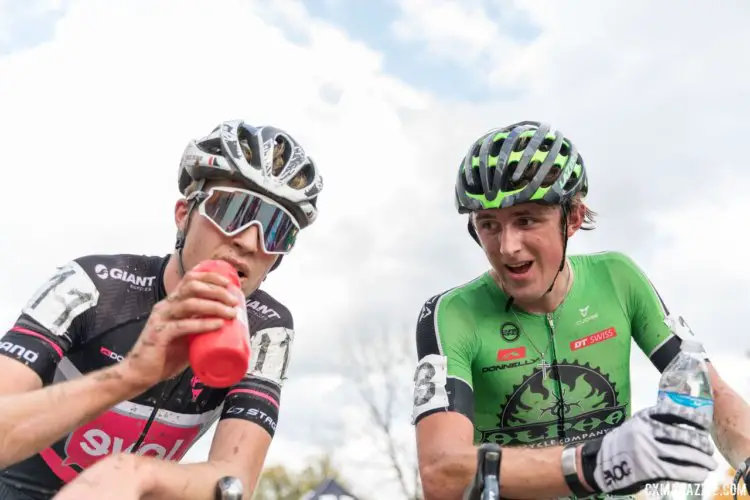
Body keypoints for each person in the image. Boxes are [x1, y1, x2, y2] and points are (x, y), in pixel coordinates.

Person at [411, 120, 750, 500]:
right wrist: (594, 462)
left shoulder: (618, 278)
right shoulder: (451, 314)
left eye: (526, 220)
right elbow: (442, 472)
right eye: (489, 225)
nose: (507, 247)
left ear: (572, 218)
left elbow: (711, 393)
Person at [0, 119, 324, 500]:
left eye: (275, 229)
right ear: (184, 213)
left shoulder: (267, 330)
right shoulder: (89, 284)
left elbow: (235, 482)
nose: (250, 242)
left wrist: (134, 472)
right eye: (233, 210)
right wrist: (130, 376)